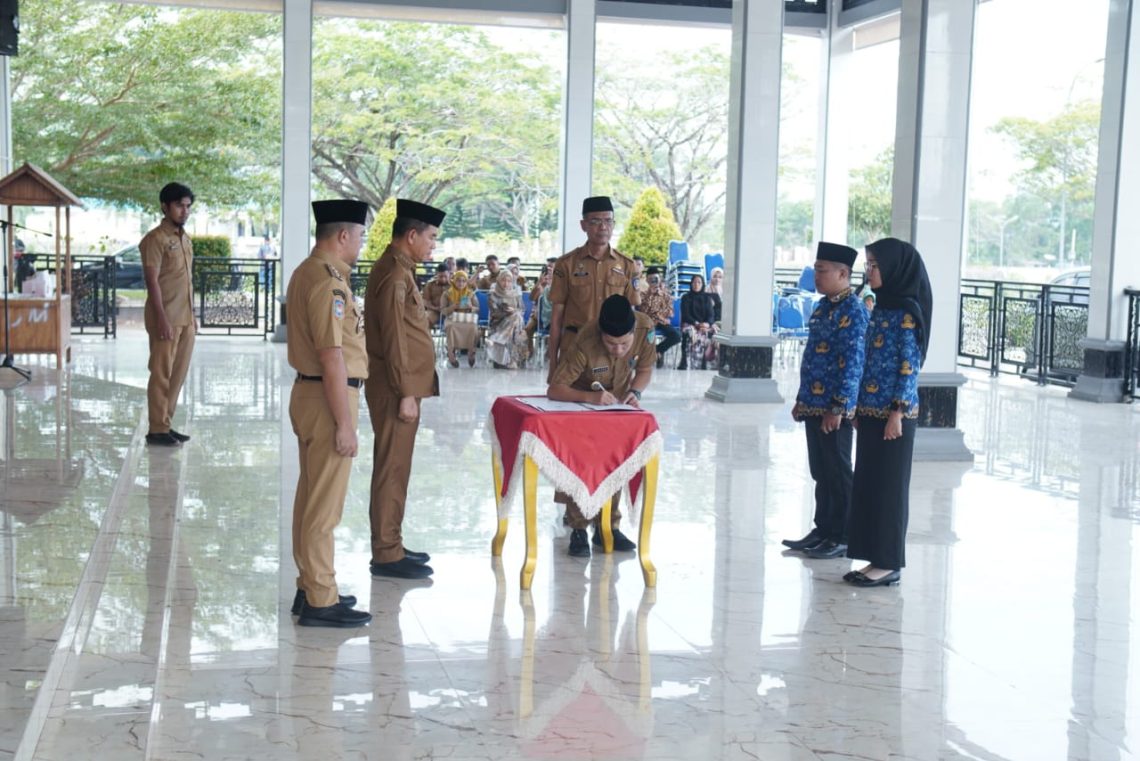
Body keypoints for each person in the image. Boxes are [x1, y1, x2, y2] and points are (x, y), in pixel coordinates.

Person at [285, 198, 373, 628]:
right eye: (359, 236)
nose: (360, 244)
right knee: (324, 507)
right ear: (342, 236)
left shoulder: (308, 271)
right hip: (327, 398)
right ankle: (321, 596)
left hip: (311, 393)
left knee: (309, 498)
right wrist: (345, 424)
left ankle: (310, 585)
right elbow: (332, 356)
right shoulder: (328, 283)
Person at [364, 199, 446, 581]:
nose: (434, 246)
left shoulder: (400, 269)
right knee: (392, 469)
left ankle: (391, 542)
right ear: (411, 236)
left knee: (397, 467)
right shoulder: (396, 276)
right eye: (431, 238)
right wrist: (406, 392)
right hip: (396, 389)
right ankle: (385, 552)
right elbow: (396, 339)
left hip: (400, 386)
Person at [844, 237, 932, 588]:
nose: (869, 271)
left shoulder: (908, 313)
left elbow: (910, 367)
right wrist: (856, 405)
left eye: (875, 265)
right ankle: (873, 558)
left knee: (890, 489)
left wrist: (897, 411)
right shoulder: (881, 307)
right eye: (868, 265)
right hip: (869, 410)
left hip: (894, 415)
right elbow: (868, 359)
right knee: (868, 485)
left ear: (895, 268)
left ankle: (889, 563)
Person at [547, 295, 655, 556]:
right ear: (600, 334)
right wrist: (590, 397)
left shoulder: (645, 328)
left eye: (624, 344)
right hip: (581, 406)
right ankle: (579, 529)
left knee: (615, 464)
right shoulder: (585, 340)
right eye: (610, 343)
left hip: (616, 406)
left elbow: (645, 368)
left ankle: (609, 528)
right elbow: (556, 389)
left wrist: (636, 392)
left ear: (633, 332)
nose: (618, 350)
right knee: (580, 467)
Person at [784, 242, 869, 560]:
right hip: (813, 404)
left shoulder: (854, 311)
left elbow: (854, 362)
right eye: (816, 269)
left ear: (843, 273)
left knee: (837, 470)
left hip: (834, 407)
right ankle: (823, 530)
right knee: (820, 469)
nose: (816, 276)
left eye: (822, 270)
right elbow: (812, 360)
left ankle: (843, 535)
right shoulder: (822, 307)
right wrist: (801, 399)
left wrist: (838, 406)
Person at [547, 196, 640, 383]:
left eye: (608, 221)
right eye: (596, 221)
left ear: (613, 224)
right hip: (574, 347)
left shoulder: (627, 265)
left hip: (611, 349)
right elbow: (556, 319)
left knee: (609, 407)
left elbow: (632, 315)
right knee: (568, 406)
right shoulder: (566, 264)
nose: (603, 227)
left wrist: (631, 360)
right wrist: (552, 366)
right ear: (584, 225)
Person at [141, 182, 197, 447]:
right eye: (179, 205)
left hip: (186, 318)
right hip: (166, 318)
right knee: (161, 373)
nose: (184, 211)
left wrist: (193, 316)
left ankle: (166, 423)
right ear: (165, 206)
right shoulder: (155, 239)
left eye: (187, 206)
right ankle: (156, 428)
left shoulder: (184, 238)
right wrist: (161, 318)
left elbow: (185, 281)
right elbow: (152, 282)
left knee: (178, 374)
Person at [639, 266, 680, 369]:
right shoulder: (643, 295)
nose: (653, 281)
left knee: (677, 335)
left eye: (655, 279)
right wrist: (650, 296)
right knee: (645, 336)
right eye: (651, 279)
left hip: (662, 322)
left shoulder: (666, 295)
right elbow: (643, 312)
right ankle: (651, 356)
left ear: (659, 279)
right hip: (648, 322)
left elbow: (670, 312)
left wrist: (659, 315)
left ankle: (658, 350)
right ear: (647, 280)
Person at [486, 269, 528, 369]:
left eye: (509, 281)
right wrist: (506, 312)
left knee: (516, 317)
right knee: (515, 319)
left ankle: (497, 339)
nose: (506, 283)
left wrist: (513, 311)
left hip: (514, 323)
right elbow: (494, 313)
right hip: (498, 322)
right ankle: (512, 361)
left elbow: (522, 309)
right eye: (503, 280)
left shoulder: (515, 294)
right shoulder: (493, 295)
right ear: (498, 281)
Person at [678, 272, 717, 370]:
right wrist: (697, 324)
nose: (696, 285)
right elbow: (686, 315)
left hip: (704, 325)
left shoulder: (707, 298)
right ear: (691, 284)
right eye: (694, 282)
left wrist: (707, 324)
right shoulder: (686, 297)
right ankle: (689, 364)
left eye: (699, 282)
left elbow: (711, 315)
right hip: (691, 324)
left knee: (714, 334)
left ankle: (707, 365)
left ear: (702, 284)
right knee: (690, 333)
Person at [442, 269, 479, 367]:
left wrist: (471, 307)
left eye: (464, 281)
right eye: (458, 280)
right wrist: (453, 307)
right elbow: (443, 311)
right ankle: (451, 354)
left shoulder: (470, 293)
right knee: (451, 327)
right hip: (451, 318)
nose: (461, 283)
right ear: (454, 281)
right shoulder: (447, 293)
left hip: (467, 319)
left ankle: (471, 352)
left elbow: (477, 309)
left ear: (467, 282)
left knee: (473, 327)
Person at [525, 267, 553, 355]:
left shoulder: (558, 285)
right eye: (546, 272)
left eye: (550, 272)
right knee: (528, 329)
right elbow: (531, 298)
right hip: (537, 315)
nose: (548, 275)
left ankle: (548, 353)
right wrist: (539, 284)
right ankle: (530, 351)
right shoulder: (540, 285)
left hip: (552, 316)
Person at [420, 262, 451, 329]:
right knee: (425, 320)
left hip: (450, 312)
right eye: (440, 276)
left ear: (449, 274)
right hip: (434, 311)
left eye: (445, 276)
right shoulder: (430, 285)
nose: (443, 279)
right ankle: (426, 339)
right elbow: (425, 301)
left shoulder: (454, 285)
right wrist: (435, 308)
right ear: (437, 274)